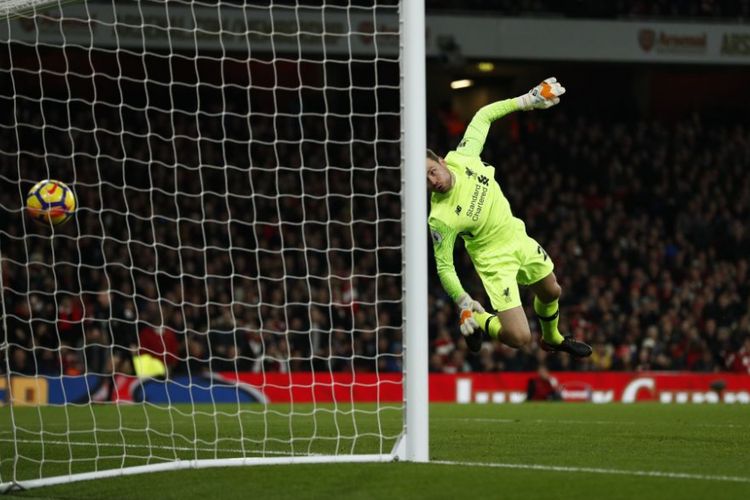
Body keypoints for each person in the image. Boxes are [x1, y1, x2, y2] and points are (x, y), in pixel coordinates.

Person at [427, 77, 591, 358]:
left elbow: (484, 114)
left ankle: (552, 338)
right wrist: (464, 302)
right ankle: (478, 320)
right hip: (494, 260)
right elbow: (444, 267)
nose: (433, 181)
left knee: (552, 291)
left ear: (441, 161)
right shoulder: (440, 217)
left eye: (432, 171)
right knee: (519, 337)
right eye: (426, 182)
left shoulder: (464, 157)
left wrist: (527, 101)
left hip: (516, 235)